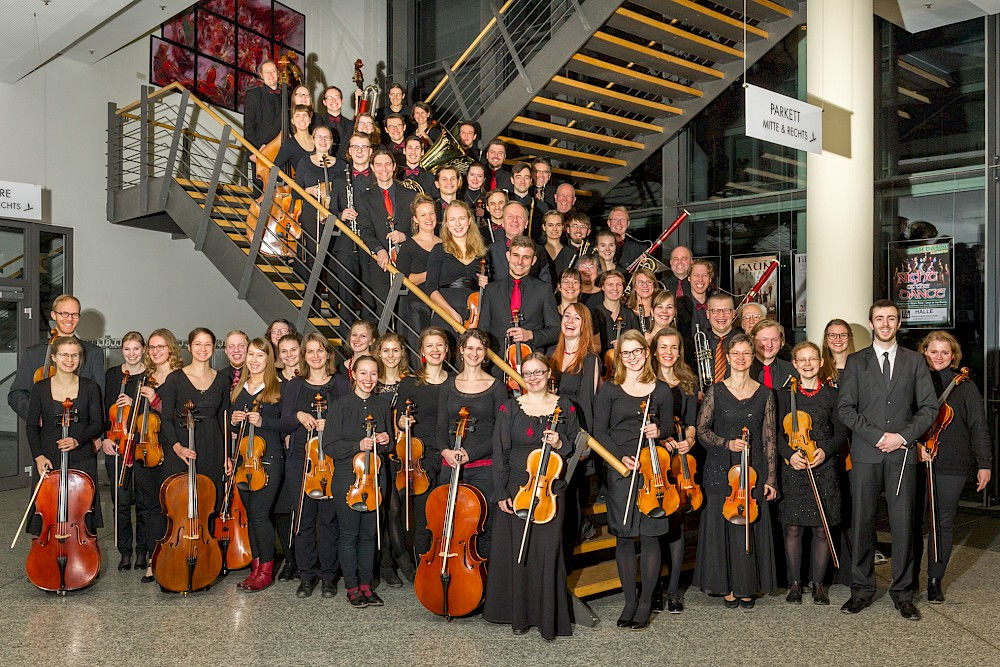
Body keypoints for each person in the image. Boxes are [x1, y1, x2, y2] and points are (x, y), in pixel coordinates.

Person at [837, 299, 937, 621]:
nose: (885, 324)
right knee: (862, 522)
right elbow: (845, 408)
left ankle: (903, 593)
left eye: (891, 318)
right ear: (871, 323)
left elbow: (929, 408)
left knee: (903, 524)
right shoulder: (856, 362)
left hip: (902, 454)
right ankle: (861, 590)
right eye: (879, 318)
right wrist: (877, 436)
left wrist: (902, 437)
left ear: (898, 323)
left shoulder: (915, 361)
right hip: (866, 453)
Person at [484, 353, 579, 641]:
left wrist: (560, 442)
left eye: (539, 372)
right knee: (519, 553)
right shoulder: (509, 408)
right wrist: (501, 491)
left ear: (549, 374)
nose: (533, 378)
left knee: (547, 552)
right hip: (517, 489)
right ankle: (520, 616)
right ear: (521, 377)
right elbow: (500, 452)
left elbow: (576, 447)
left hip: (550, 490)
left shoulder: (566, 407)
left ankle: (548, 618)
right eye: (528, 373)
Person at [594, 331, 674, 630]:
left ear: (646, 352)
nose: (632, 357)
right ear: (619, 357)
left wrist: (658, 431)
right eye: (625, 353)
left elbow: (668, 427)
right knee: (625, 537)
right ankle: (629, 600)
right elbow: (600, 432)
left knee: (651, 537)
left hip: (652, 470)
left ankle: (645, 603)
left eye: (636, 351)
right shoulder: (610, 389)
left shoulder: (661, 390)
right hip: (622, 470)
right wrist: (620, 459)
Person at [694, 333, 779, 609]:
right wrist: (726, 443)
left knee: (749, 526)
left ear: (753, 357)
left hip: (753, 470)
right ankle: (727, 585)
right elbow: (702, 431)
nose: (741, 358)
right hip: (721, 468)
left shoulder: (765, 394)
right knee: (725, 526)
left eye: (746, 353)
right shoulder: (715, 392)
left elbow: (769, 438)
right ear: (728, 358)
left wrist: (771, 477)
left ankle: (746, 586)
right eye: (736, 353)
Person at [912, 331, 992, 603]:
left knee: (942, 523)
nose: (939, 357)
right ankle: (910, 578)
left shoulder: (965, 386)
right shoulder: (914, 380)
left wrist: (984, 463)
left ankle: (935, 579)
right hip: (916, 461)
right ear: (924, 352)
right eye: (933, 351)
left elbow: (978, 426)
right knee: (911, 522)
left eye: (945, 352)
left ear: (953, 356)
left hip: (952, 463)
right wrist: (915, 446)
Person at [278, 333, 351, 594]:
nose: (316, 356)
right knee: (303, 518)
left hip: (332, 460)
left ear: (328, 354)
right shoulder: (294, 385)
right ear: (304, 356)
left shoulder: (341, 383)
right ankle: (306, 575)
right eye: (310, 351)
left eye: (320, 350)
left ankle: (329, 575)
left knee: (330, 519)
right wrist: (298, 414)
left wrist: (331, 423)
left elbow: (351, 420)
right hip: (301, 459)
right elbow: (284, 423)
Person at [779, 341, 846, 605]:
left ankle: (819, 585)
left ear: (821, 362)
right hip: (794, 468)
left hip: (823, 467)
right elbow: (774, 434)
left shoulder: (832, 394)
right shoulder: (784, 395)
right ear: (794, 364)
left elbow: (841, 432)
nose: (808, 364)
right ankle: (795, 584)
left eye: (812, 359)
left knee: (821, 529)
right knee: (793, 528)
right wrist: (789, 454)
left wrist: (825, 451)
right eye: (802, 360)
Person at [325, 355, 394, 608]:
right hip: (347, 479)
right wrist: (358, 445)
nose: (368, 379)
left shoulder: (382, 405)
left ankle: (366, 585)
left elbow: (389, 446)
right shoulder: (339, 406)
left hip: (375, 478)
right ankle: (352, 587)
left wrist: (385, 441)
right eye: (363, 373)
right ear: (353, 374)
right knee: (349, 534)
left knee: (369, 535)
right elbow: (329, 446)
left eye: (373, 374)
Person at [433, 329, 508, 557]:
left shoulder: (497, 387)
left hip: (484, 468)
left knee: (483, 526)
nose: (474, 353)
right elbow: (440, 427)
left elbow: (500, 433)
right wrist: (445, 451)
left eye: (479, 348)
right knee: (450, 525)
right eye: (470, 348)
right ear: (461, 350)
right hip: (451, 465)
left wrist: (470, 454)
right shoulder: (448, 385)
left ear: (485, 352)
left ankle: (484, 573)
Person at [25, 336, 104, 538]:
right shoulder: (40, 388)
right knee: (48, 512)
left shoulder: (90, 387)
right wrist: (38, 456)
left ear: (80, 358)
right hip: (49, 458)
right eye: (64, 355)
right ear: (54, 357)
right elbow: (31, 426)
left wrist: (77, 440)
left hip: (82, 457)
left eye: (74, 355)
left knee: (81, 513)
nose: (69, 360)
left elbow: (97, 423)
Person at [650, 327, 699, 613]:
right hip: (655, 458)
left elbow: (691, 421)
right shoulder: (646, 380)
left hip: (680, 457)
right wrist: (661, 438)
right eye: (663, 347)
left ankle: (673, 590)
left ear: (680, 351)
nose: (669, 352)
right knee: (656, 521)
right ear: (655, 351)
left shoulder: (688, 380)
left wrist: (689, 440)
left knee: (677, 522)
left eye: (674, 347)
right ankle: (654, 587)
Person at [230, 338, 285, 591]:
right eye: (251, 354)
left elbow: (287, 424)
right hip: (245, 463)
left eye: (260, 355)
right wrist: (233, 421)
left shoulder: (278, 388)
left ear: (268, 359)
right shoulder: (239, 389)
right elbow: (233, 430)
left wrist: (264, 422)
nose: (254, 360)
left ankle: (266, 571)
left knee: (261, 516)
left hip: (268, 461)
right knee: (251, 516)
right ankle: (255, 567)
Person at [158, 328, 231, 509]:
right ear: (189, 347)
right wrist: (177, 448)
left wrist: (227, 455)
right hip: (183, 447)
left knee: (211, 504)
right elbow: (166, 419)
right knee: (181, 505)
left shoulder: (222, 380)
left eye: (208, 344)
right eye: (198, 344)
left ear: (214, 347)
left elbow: (224, 421)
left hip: (213, 447)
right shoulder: (174, 379)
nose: (203, 349)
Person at [395, 328, 451, 563]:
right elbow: (399, 419)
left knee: (447, 518)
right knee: (424, 519)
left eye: (439, 345)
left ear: (447, 350)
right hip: (421, 460)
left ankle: (444, 566)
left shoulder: (455, 383)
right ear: (422, 352)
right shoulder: (409, 384)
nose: (435, 350)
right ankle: (423, 571)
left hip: (448, 458)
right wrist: (402, 422)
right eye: (429, 345)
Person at [135, 328, 185, 583]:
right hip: (146, 448)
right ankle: (153, 560)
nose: (155, 351)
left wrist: (155, 400)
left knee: (171, 505)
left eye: (161, 347)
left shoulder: (180, 378)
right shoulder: (146, 377)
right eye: (152, 347)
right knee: (151, 506)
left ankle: (174, 554)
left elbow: (181, 415)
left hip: (170, 447)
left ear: (171, 349)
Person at [549, 303, 600, 546]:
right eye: (567, 316)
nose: (570, 321)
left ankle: (573, 540)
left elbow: (588, 404)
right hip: (552, 432)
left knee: (571, 494)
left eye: (577, 318)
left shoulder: (590, 359)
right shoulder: (553, 355)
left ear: (584, 325)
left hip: (575, 434)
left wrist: (583, 443)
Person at [8, 294, 105, 421]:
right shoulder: (33, 353)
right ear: (54, 315)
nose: (70, 319)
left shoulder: (93, 353)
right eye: (64, 313)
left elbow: (99, 397)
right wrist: (36, 416)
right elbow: (16, 394)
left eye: (75, 314)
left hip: (80, 428)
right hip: (43, 430)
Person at [100, 332, 147, 571]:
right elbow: (102, 411)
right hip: (116, 444)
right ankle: (125, 551)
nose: (131, 354)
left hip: (141, 445)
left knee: (143, 502)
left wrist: (133, 403)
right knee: (120, 501)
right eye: (127, 349)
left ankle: (143, 551)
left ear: (143, 349)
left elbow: (153, 411)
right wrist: (105, 439)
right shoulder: (112, 375)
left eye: (136, 349)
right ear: (122, 351)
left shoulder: (149, 376)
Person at [373, 332, 413, 586]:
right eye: (385, 350)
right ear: (378, 352)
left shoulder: (409, 382)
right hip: (377, 452)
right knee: (385, 508)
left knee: (394, 508)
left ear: (402, 353)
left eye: (395, 350)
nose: (390, 355)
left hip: (401, 453)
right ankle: (394, 562)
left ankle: (394, 562)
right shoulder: (372, 381)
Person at [479, 235, 561, 356]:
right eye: (516, 255)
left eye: (526, 257)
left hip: (531, 360)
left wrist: (531, 335)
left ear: (533, 261)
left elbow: (556, 331)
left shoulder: (543, 289)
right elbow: (482, 330)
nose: (520, 262)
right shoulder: (491, 290)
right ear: (508, 256)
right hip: (497, 361)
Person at [356, 148, 416, 312]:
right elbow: (365, 230)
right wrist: (379, 250)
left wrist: (405, 236)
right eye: (379, 165)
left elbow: (421, 227)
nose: (384, 169)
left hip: (409, 262)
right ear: (372, 167)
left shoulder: (410, 196)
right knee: (384, 311)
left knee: (407, 312)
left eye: (388, 164)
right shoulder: (364, 199)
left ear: (394, 166)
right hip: (381, 265)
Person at [425, 200, 488, 326]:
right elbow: (430, 288)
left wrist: (486, 285)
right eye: (452, 219)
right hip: (446, 316)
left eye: (462, 218)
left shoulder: (481, 253)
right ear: (446, 224)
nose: (458, 224)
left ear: (469, 221)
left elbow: (488, 292)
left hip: (474, 318)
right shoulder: (439, 250)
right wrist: (450, 313)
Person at [293, 126, 341, 283]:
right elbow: (295, 192)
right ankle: (312, 291)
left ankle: (332, 293)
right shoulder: (304, 163)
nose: (323, 140)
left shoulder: (342, 165)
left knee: (333, 254)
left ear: (332, 141)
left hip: (334, 213)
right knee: (314, 252)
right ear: (313, 140)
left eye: (326, 137)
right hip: (311, 213)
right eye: (319, 137)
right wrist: (309, 190)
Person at [395, 194, 442, 342]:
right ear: (415, 219)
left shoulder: (445, 245)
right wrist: (434, 273)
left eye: (431, 213)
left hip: (440, 304)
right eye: (423, 215)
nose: (428, 218)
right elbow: (403, 279)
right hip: (415, 307)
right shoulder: (408, 246)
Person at [486, 202, 552, 284]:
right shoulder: (490, 250)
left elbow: (546, 284)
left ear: (526, 223)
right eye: (510, 216)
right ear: (502, 222)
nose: (515, 220)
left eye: (519, 217)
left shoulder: (539, 251)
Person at [591, 270, 639, 356]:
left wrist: (624, 344)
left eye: (619, 285)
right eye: (610, 284)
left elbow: (638, 343)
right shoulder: (592, 314)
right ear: (602, 287)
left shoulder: (630, 315)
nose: (615, 288)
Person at [243, 60, 282, 165]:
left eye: (273, 71)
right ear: (261, 75)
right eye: (267, 72)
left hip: (282, 152)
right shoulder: (253, 95)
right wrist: (253, 151)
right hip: (261, 150)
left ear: (278, 74)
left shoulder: (286, 97)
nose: (270, 75)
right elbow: (248, 125)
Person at [750, 319, 796, 390]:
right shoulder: (742, 370)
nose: (769, 345)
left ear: (782, 342)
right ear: (753, 340)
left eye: (774, 340)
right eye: (764, 339)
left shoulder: (792, 370)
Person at [704, 293, 737, 384]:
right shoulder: (699, 342)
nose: (721, 315)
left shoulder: (744, 342)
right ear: (708, 314)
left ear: (734, 313)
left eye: (726, 310)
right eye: (715, 310)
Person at [272, 105, 315, 175]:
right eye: (297, 116)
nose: (302, 119)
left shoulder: (318, 140)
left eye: (305, 115)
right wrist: (287, 181)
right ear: (293, 121)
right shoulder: (289, 144)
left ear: (310, 120)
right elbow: (274, 170)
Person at [315, 85, 354, 155]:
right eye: (329, 97)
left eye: (336, 97)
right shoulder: (318, 123)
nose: (333, 100)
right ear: (324, 102)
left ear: (342, 101)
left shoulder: (351, 125)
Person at [607, 206, 644, 271]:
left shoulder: (639, 248)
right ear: (609, 223)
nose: (619, 223)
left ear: (628, 223)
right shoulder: (597, 247)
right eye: (615, 219)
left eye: (623, 219)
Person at [820, 319, 855, 385]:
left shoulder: (860, 368)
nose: (838, 339)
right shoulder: (818, 369)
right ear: (826, 339)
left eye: (843, 335)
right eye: (832, 335)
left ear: (849, 338)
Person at [541, 211, 574, 283]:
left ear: (563, 227)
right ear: (544, 227)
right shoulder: (537, 252)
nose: (554, 229)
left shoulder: (572, 254)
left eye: (558, 225)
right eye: (550, 225)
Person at [626, 267, 658, 333]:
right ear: (634, 286)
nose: (645, 285)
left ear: (654, 285)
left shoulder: (661, 310)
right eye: (640, 282)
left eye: (649, 282)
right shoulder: (626, 312)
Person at [687, 259, 714, 336]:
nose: (700, 279)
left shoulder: (716, 306)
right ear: (689, 278)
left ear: (710, 279)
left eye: (704, 275)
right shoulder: (680, 306)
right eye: (696, 275)